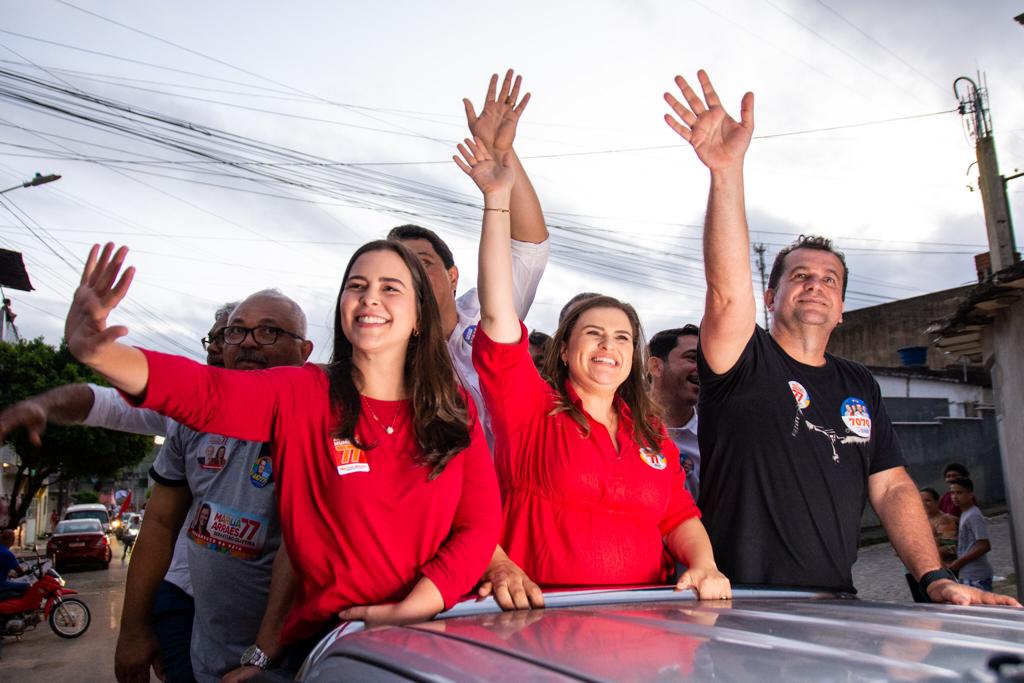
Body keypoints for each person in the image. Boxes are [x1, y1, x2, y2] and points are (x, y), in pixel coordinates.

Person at [663, 69, 1018, 607]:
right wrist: (727, 172)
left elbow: (893, 487)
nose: (815, 285)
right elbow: (726, 293)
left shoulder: (858, 383)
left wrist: (935, 578)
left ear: (843, 309)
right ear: (770, 296)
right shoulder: (742, 357)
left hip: (836, 602)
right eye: (800, 276)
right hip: (734, 602)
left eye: (830, 279)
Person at [63, 240, 501, 671]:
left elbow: (479, 525)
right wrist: (101, 353)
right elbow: (206, 393)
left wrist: (417, 604)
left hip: (434, 632)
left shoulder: (453, 405)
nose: (370, 297)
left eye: (390, 287)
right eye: (357, 285)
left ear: (419, 315)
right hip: (331, 644)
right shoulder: (306, 393)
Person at [455, 135, 730, 610]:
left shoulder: (650, 436)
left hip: (645, 627)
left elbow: (678, 516)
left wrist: (704, 563)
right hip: (541, 624)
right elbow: (498, 314)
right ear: (563, 350)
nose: (609, 345)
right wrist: (496, 201)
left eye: (622, 337)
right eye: (593, 333)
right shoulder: (528, 407)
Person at [0, 300, 238, 683]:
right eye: (213, 338)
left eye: (229, 335)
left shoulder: (301, 413)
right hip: (184, 599)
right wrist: (42, 404)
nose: (215, 347)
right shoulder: (188, 411)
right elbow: (105, 403)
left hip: (260, 609)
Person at [388, 70, 549, 443]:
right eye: (396, 271)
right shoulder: (385, 354)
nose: (409, 276)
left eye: (422, 263)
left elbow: (529, 245)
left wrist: (501, 152)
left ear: (453, 276)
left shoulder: (484, 313)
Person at [648, 325, 701, 499]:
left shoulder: (715, 438)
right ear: (656, 366)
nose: (703, 368)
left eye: (706, 360)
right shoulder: (622, 429)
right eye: (692, 358)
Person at [947, 478, 994, 591]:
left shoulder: (973, 515)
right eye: (952, 493)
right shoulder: (965, 513)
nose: (955, 496)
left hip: (976, 575)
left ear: (970, 494)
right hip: (967, 573)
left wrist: (960, 561)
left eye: (959, 492)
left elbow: (984, 545)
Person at [919, 488, 958, 562]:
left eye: (927, 500)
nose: (924, 504)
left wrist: (921, 552)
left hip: (945, 566)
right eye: (921, 501)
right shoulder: (921, 520)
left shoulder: (944, 520)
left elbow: (950, 548)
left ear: (937, 502)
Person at [0, 529, 28, 598]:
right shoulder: (7, 553)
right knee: (28, 585)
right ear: (12, 540)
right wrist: (26, 572)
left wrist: (9, 574)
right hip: (1, 584)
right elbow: (20, 572)